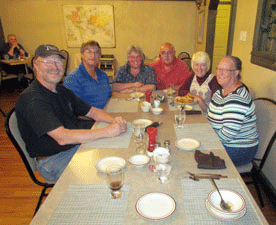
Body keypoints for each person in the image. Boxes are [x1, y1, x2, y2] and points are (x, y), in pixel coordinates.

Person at [16, 44, 127, 183]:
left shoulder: (61, 90)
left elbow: (91, 111)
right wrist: (108, 132)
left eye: (58, 62)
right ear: (36, 65)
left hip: (74, 146)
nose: (55, 67)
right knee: (105, 176)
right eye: (48, 62)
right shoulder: (32, 99)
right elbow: (62, 137)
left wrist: (114, 121)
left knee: (116, 153)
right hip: (54, 159)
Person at [207, 56, 259, 167]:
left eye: (225, 70)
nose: (220, 73)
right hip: (224, 143)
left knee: (192, 153)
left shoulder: (237, 99)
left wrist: (204, 137)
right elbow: (209, 118)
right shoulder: (219, 93)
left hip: (239, 149)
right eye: (218, 69)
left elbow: (226, 135)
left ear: (236, 73)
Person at [63, 41, 112, 109]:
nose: (93, 55)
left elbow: (108, 94)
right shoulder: (72, 79)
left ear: (100, 56)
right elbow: (73, 111)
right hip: (89, 119)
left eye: (96, 52)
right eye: (89, 52)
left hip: (107, 113)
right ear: (82, 55)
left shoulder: (103, 75)